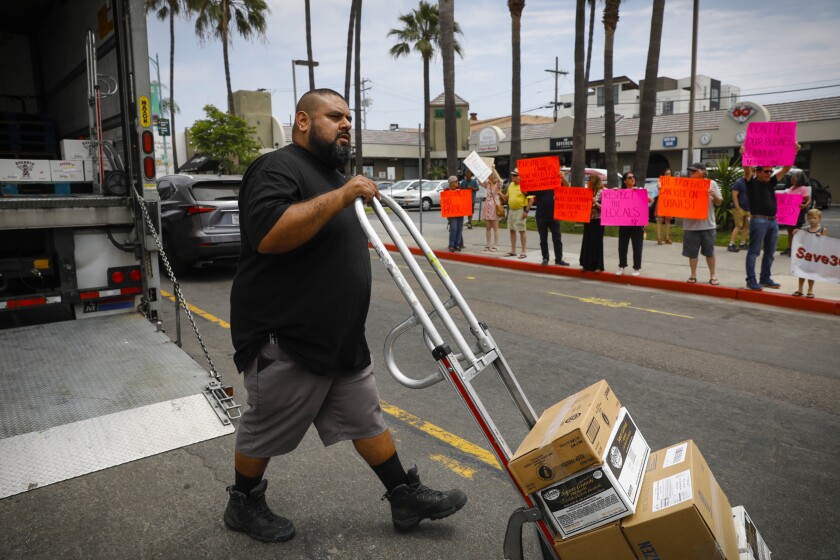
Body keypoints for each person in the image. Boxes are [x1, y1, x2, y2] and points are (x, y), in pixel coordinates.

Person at [226, 89, 467, 543]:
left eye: (349, 119)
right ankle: (242, 503)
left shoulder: (330, 173)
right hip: (289, 335)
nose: (345, 125)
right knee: (265, 427)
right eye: (334, 116)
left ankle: (403, 496)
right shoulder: (276, 167)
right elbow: (269, 235)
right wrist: (341, 197)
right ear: (302, 121)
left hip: (339, 337)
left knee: (365, 418)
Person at [740, 143, 800, 290]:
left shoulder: (771, 182)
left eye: (770, 171)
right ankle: (751, 280)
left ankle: (765, 278)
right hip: (758, 220)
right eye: (766, 171)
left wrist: (794, 151)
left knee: (770, 251)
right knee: (754, 251)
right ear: (758, 172)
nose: (769, 174)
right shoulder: (750, 183)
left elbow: (786, 168)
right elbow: (747, 170)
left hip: (773, 221)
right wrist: (744, 154)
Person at [682, 163, 723, 285]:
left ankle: (713, 274)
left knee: (709, 252)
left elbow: (719, 202)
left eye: (694, 171)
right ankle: (693, 274)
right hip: (690, 225)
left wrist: (714, 195)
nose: (691, 173)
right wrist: (662, 189)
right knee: (692, 253)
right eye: (691, 171)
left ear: (703, 172)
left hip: (708, 225)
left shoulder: (712, 184)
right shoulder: (685, 185)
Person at [616, 172, 652, 276]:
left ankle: (637, 268)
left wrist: (640, 193)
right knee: (622, 246)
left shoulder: (639, 190)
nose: (632, 179)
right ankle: (621, 266)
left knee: (637, 246)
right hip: (624, 223)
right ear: (625, 181)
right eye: (629, 177)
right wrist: (614, 192)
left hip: (637, 223)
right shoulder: (621, 192)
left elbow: (650, 200)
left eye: (633, 177)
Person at [532, 170, 569, 266]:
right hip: (541, 216)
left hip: (554, 215)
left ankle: (559, 259)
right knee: (543, 239)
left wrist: (562, 178)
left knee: (557, 238)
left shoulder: (555, 184)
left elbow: (566, 187)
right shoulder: (538, 185)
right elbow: (525, 191)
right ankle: (545, 258)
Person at [792, 208, 828, 298]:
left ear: (819, 218)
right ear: (807, 219)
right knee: (801, 272)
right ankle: (800, 289)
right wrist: (796, 232)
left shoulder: (823, 229)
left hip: (814, 255)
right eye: (810, 218)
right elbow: (800, 239)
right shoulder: (805, 229)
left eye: (814, 218)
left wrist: (820, 237)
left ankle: (810, 290)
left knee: (811, 273)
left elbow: (826, 242)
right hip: (805, 255)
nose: (812, 220)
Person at [500, 168, 533, 259]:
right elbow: (507, 197)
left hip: (520, 210)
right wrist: (501, 194)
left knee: (522, 230)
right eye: (512, 175)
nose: (512, 177)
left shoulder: (524, 185)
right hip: (511, 210)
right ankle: (513, 250)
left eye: (514, 175)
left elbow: (531, 199)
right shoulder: (510, 185)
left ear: (519, 177)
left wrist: (526, 211)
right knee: (512, 229)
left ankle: (523, 251)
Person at [780, 170, 811, 256]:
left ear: (798, 179)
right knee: (789, 231)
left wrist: (804, 206)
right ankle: (789, 248)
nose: (791, 179)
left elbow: (808, 200)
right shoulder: (791, 188)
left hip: (798, 213)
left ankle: (795, 249)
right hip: (789, 213)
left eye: (793, 178)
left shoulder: (803, 189)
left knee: (796, 232)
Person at [579, 174, 605, 272]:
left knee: (596, 242)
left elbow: (605, 207)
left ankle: (598, 266)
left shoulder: (602, 192)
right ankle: (586, 264)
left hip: (598, 220)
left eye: (589, 180)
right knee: (587, 241)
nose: (588, 182)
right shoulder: (588, 191)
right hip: (588, 219)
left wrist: (596, 202)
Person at [727, 170, 751, 252]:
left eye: (755, 171)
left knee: (746, 226)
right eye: (752, 171)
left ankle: (742, 243)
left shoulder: (753, 182)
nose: (753, 173)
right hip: (739, 208)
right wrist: (738, 208)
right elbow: (734, 195)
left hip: (749, 208)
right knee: (738, 225)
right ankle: (731, 244)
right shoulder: (739, 182)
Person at [480, 169, 503, 251]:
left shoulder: (498, 184)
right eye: (488, 175)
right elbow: (480, 182)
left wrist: (493, 169)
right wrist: (478, 173)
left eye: (490, 175)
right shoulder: (488, 184)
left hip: (495, 207)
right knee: (488, 227)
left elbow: (500, 180)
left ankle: (496, 245)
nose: (489, 177)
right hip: (487, 206)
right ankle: (488, 244)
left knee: (495, 227)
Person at [446, 175, 465, 252]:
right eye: (456, 181)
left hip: (460, 212)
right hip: (452, 214)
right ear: (451, 183)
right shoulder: (446, 191)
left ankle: (457, 244)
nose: (457, 183)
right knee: (453, 228)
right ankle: (451, 245)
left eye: (457, 181)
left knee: (459, 229)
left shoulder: (460, 190)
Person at [655, 168, 673, 245]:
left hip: (670, 202)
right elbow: (659, 187)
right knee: (660, 219)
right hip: (662, 201)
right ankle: (659, 238)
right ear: (663, 174)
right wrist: (660, 185)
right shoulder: (660, 181)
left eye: (669, 173)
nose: (668, 175)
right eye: (666, 173)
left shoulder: (674, 182)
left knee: (668, 220)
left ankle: (666, 237)